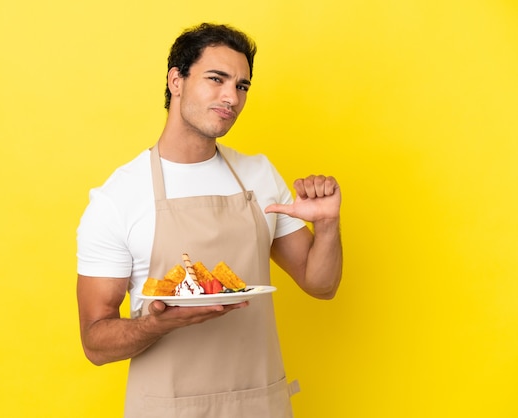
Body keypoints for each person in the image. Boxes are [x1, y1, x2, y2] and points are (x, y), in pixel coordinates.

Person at [76, 22, 342, 418]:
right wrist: (158, 323)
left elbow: (321, 285)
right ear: (176, 80)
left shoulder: (259, 175)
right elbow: (95, 343)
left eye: (242, 86)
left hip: (259, 404)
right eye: (216, 79)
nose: (231, 97)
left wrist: (328, 226)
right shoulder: (118, 198)